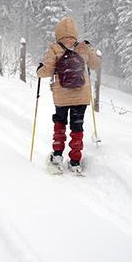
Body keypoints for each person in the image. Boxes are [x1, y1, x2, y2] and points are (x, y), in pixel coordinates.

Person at [37, 16, 101, 174]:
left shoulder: (54, 48)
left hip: (61, 96)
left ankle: (57, 156)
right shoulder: (83, 47)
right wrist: (90, 49)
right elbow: (96, 65)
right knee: (77, 127)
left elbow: (46, 71)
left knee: (60, 124)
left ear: (58, 32)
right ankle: (75, 161)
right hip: (82, 96)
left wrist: (38, 70)